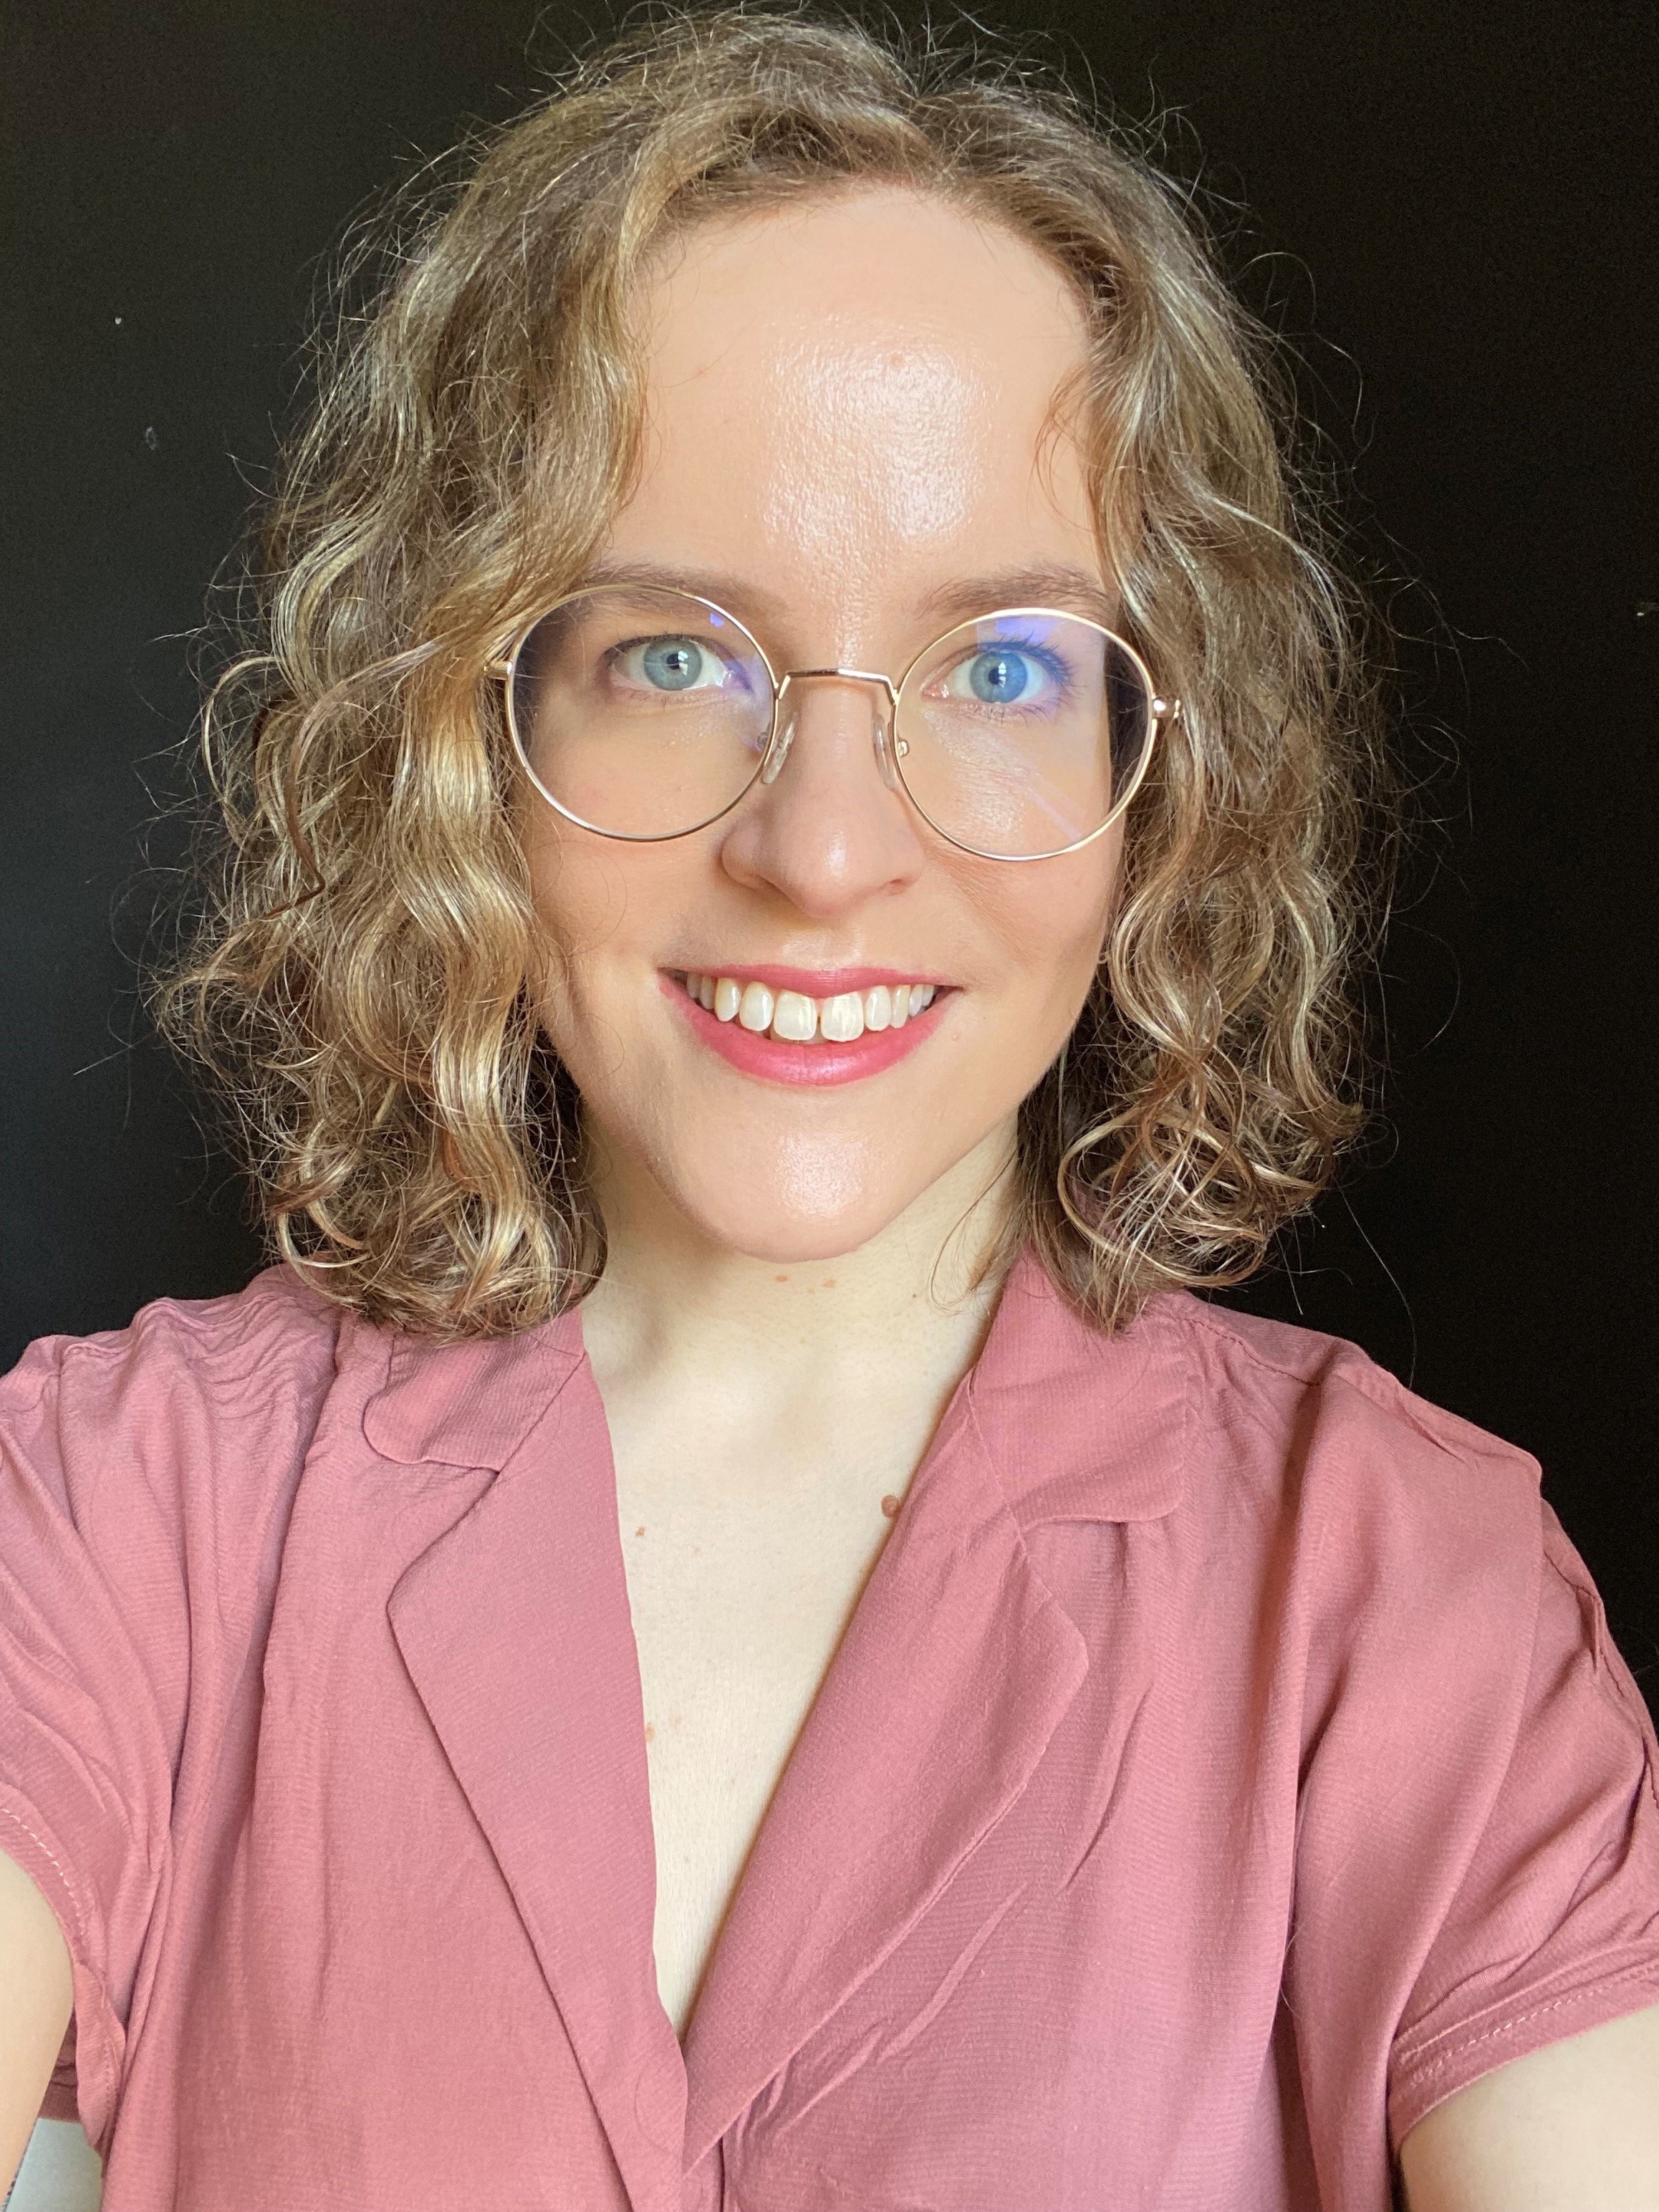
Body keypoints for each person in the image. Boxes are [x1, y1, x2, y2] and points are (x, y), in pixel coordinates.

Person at [4, 9, 1658, 2209]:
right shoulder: (121, 1514)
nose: (823, 851)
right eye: (674, 653)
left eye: (1001, 669)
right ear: (465, 729)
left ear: (1151, 782)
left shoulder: (1399, 1590)